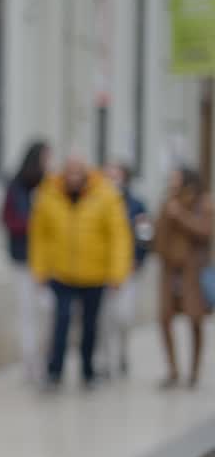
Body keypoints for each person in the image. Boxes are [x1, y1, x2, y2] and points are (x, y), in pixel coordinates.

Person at [28, 153, 131, 391]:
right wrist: (40, 270)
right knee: (61, 322)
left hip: (94, 273)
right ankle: (55, 371)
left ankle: (87, 370)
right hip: (62, 273)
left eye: (78, 172)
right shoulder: (50, 194)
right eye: (69, 171)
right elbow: (40, 236)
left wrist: (117, 273)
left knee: (89, 325)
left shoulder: (105, 195)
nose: (73, 177)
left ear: (85, 172)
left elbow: (118, 236)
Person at [153, 166, 212, 389]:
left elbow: (205, 231)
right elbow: (159, 236)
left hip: (192, 273)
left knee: (195, 321)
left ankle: (194, 371)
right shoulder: (168, 202)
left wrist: (181, 215)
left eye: (176, 178)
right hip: (170, 272)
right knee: (164, 319)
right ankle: (173, 370)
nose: (172, 182)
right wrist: (167, 213)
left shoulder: (203, 203)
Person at [0, 140, 51, 383]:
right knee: (27, 313)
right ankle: (30, 363)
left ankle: (44, 359)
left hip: (48, 262)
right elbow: (9, 219)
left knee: (47, 311)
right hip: (23, 258)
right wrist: (34, 225)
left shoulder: (50, 185)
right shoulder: (16, 185)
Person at [96, 160, 151, 378]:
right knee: (104, 319)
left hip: (127, 270)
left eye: (115, 175)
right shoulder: (96, 202)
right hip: (102, 271)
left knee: (123, 316)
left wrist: (138, 259)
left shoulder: (136, 205)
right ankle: (106, 361)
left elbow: (145, 235)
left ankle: (122, 352)